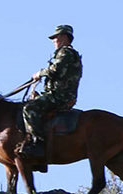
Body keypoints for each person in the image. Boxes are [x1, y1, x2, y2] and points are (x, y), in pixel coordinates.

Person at [19, 25, 81, 162]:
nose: (54, 40)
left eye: (56, 37)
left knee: (29, 109)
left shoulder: (66, 52)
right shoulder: (68, 53)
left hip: (60, 97)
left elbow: (55, 70)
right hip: (60, 95)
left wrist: (39, 74)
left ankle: (38, 143)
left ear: (65, 37)